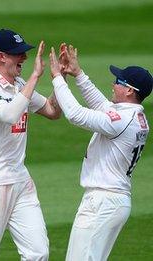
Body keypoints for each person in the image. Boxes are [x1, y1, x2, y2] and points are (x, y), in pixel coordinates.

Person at [49, 44, 152, 261]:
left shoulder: (123, 120)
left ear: (129, 90)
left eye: (118, 82)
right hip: (111, 199)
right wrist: (78, 74)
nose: (113, 84)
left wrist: (58, 77)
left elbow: (76, 115)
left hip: (104, 201)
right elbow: (102, 105)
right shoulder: (133, 116)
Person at [0, 29, 61, 261]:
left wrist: (60, 78)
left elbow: (52, 111)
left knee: (38, 253)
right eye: (18, 54)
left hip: (20, 181)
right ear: (1, 57)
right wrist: (35, 77)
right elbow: (8, 114)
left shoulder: (19, 84)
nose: (25, 58)